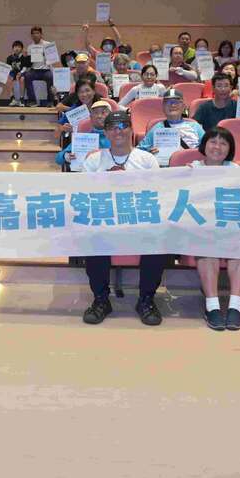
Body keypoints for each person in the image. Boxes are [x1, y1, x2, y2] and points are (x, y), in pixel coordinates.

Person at [80, 111, 165, 326]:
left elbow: (156, 193)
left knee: (158, 239)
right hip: (105, 218)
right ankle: (101, 299)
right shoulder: (94, 160)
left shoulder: (147, 159)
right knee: (93, 236)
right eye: (112, 127)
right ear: (106, 132)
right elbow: (83, 192)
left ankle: (146, 299)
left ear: (131, 130)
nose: (118, 131)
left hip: (138, 218)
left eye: (123, 126)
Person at [185, 127, 240, 330]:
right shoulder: (192, 168)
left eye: (223, 143)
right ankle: (212, 306)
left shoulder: (236, 169)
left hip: (229, 225)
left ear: (230, 149)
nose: (217, 147)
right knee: (207, 249)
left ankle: (235, 306)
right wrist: (183, 176)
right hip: (201, 226)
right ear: (204, 145)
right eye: (213, 141)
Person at [138, 89, 203, 161]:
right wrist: (148, 154)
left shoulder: (195, 126)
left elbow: (207, 147)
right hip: (165, 166)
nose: (172, 105)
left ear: (183, 106)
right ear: (163, 107)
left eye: (177, 102)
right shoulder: (156, 128)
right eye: (168, 102)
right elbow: (138, 151)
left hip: (192, 165)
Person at [56, 100, 112, 167]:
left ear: (110, 116)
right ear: (91, 117)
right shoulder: (85, 137)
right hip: (87, 172)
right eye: (96, 113)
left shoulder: (117, 136)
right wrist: (66, 156)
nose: (99, 116)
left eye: (103, 112)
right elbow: (58, 159)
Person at [22, 26, 54, 106]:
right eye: (33, 34)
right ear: (31, 36)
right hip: (34, 70)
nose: (35, 35)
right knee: (27, 76)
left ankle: (50, 101)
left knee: (50, 77)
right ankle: (32, 100)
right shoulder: (30, 47)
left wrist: (45, 55)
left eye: (37, 33)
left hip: (45, 70)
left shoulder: (48, 44)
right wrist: (25, 57)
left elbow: (53, 58)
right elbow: (28, 64)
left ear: (41, 34)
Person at [5, 40, 29, 107]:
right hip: (13, 73)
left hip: (21, 73)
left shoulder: (23, 57)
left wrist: (20, 73)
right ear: (13, 48)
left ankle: (21, 98)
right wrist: (11, 75)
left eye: (19, 47)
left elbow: (25, 67)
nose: (17, 48)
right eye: (15, 47)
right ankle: (12, 98)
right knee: (7, 79)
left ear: (21, 49)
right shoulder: (9, 58)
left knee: (22, 79)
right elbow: (8, 68)